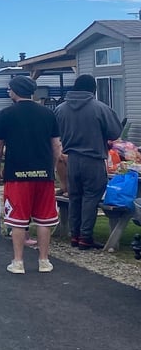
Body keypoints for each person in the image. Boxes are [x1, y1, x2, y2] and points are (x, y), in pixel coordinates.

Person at [0, 75, 60, 274]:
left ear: (14, 91)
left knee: (18, 220)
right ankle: (44, 260)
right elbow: (56, 145)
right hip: (43, 174)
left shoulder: (6, 114)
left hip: (17, 174)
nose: (8, 92)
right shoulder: (48, 114)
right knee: (44, 219)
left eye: (9, 89)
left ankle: (18, 261)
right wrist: (52, 168)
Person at [55, 73, 123, 250]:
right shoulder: (100, 108)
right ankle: (86, 237)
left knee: (75, 197)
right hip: (93, 159)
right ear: (93, 89)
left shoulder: (61, 109)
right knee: (91, 198)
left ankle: (74, 235)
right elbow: (115, 132)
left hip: (71, 159)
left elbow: (55, 132)